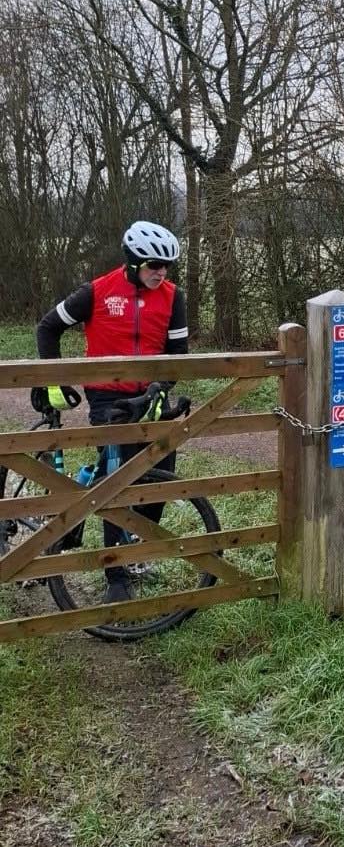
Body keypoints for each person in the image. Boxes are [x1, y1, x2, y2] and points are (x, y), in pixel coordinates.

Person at [33, 220, 189, 603]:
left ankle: (136, 541)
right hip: (107, 397)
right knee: (120, 477)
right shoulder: (98, 291)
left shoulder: (173, 297)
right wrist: (54, 380)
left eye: (167, 266)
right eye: (154, 265)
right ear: (134, 262)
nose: (161, 272)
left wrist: (161, 386)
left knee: (163, 471)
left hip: (150, 394)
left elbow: (179, 357)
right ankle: (114, 574)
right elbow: (47, 327)